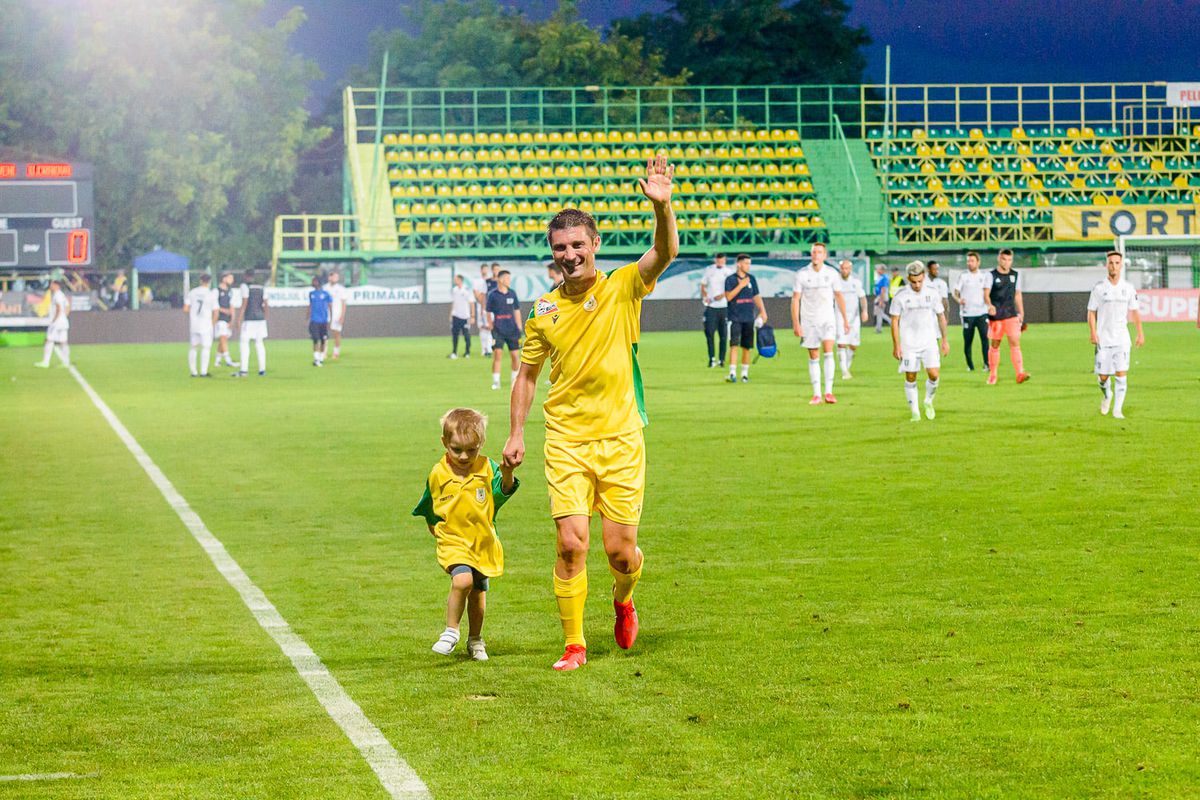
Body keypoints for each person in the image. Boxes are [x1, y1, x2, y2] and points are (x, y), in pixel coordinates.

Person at [503, 155, 678, 671]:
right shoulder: (542, 310)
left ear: (594, 245)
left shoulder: (623, 285)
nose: (570, 254)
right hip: (566, 441)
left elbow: (664, 253)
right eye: (560, 248)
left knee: (621, 553)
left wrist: (662, 208)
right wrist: (516, 432)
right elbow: (528, 376)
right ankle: (574, 644)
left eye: (578, 245)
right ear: (552, 254)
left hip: (622, 438)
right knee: (571, 544)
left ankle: (623, 599)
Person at [412, 408, 519, 661]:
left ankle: (476, 640)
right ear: (444, 443)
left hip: (482, 542)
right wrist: (435, 530)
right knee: (462, 581)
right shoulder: (437, 473)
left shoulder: (487, 468)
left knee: (478, 592)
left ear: (481, 444)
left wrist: (506, 473)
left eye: (472, 450)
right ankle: (451, 631)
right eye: (456, 449)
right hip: (453, 541)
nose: (464, 456)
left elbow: (501, 493)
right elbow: (429, 506)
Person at [1088, 251, 1145, 419]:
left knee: (1121, 373)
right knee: (1103, 377)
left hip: (1122, 338)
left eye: (1117, 263)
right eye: (1111, 263)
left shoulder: (1128, 288)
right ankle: (1107, 395)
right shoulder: (1099, 288)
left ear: (1121, 265)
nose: (1114, 266)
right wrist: (1092, 332)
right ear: (1107, 265)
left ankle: (1118, 410)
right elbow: (1091, 312)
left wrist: (1140, 333)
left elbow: (1135, 312)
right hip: (1103, 339)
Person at [890, 261, 949, 421]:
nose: (917, 285)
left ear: (923, 277)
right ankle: (915, 412)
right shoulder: (901, 295)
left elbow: (941, 316)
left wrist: (944, 340)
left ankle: (928, 401)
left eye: (920, 281)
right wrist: (896, 345)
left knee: (934, 374)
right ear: (909, 278)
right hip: (909, 343)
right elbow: (894, 321)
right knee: (911, 377)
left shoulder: (933, 292)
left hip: (929, 341)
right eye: (914, 282)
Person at [791, 242, 848, 404]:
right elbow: (795, 299)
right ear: (811, 255)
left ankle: (829, 392)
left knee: (829, 351)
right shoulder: (802, 274)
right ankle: (817, 394)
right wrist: (796, 323)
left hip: (827, 319)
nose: (816, 255)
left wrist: (844, 319)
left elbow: (838, 296)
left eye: (819, 252)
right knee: (814, 355)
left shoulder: (831, 273)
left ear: (825, 255)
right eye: (814, 252)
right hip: (809, 320)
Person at [983, 248, 1030, 385]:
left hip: (1011, 314)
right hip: (996, 316)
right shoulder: (990, 275)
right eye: (1004, 259)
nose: (1007, 262)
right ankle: (993, 375)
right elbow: (986, 294)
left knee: (1015, 343)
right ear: (999, 259)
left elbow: (1017, 294)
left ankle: (1020, 373)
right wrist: (989, 305)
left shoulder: (1016, 275)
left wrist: (1021, 312)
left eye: (1009, 260)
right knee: (995, 344)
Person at [723, 254, 767, 383]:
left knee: (747, 346)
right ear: (739, 264)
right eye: (746, 263)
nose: (748, 266)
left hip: (749, 317)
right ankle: (732, 373)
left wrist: (762, 311)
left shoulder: (752, 279)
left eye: (749, 263)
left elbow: (756, 296)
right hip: (735, 317)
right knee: (734, 345)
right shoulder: (730, 280)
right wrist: (741, 285)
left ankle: (744, 374)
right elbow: (729, 297)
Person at [953, 250, 990, 371]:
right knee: (968, 341)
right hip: (967, 313)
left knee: (985, 339)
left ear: (978, 262)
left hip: (982, 313)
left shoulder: (984, 276)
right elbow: (955, 292)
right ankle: (970, 365)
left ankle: (986, 364)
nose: (969, 263)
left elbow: (989, 292)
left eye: (972, 261)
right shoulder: (963, 276)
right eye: (968, 261)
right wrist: (959, 300)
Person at [486, 270, 522, 390]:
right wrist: (491, 326)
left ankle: (514, 380)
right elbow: (488, 312)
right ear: (501, 279)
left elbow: (516, 311)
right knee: (497, 355)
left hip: (512, 330)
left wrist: (519, 327)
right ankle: (496, 381)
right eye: (507, 278)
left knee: (516, 356)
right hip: (498, 330)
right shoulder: (492, 295)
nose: (509, 281)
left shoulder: (512, 293)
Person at [834, 259, 869, 379]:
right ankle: (844, 371)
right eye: (843, 268)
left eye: (847, 268)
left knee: (853, 345)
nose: (845, 270)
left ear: (850, 269)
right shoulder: (835, 282)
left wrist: (864, 311)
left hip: (854, 318)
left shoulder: (856, 282)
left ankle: (846, 367)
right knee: (841, 343)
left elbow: (862, 298)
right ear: (840, 269)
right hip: (839, 316)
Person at [233, 269, 269, 377]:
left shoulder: (245, 287)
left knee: (244, 343)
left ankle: (244, 370)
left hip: (249, 319)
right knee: (260, 343)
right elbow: (266, 304)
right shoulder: (262, 288)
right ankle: (262, 369)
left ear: (245, 276)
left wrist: (239, 319)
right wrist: (265, 317)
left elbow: (244, 303)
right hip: (260, 319)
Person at [700, 253, 731, 368]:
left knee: (723, 335)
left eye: (722, 260)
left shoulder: (729, 272)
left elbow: (731, 288)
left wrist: (722, 295)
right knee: (709, 333)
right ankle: (711, 358)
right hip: (711, 307)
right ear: (715, 260)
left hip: (724, 306)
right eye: (718, 260)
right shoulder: (709, 270)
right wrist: (705, 297)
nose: (720, 262)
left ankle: (722, 359)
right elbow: (703, 285)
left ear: (724, 260)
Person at [183, 274, 217, 377]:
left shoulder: (192, 292)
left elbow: (185, 309)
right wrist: (212, 324)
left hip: (194, 324)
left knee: (193, 347)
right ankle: (203, 371)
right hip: (206, 324)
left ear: (200, 281)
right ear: (209, 281)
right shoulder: (211, 294)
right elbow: (216, 312)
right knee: (206, 348)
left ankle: (193, 372)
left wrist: (193, 314)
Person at [35, 279, 70, 368]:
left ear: (56, 285)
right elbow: (67, 306)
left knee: (49, 340)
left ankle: (45, 362)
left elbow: (58, 308)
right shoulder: (62, 295)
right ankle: (66, 362)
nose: (51, 286)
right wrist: (64, 316)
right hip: (63, 322)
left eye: (52, 284)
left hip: (57, 322)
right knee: (63, 342)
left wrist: (54, 320)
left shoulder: (57, 295)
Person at [213, 272, 238, 367]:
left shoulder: (230, 292)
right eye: (230, 278)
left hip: (227, 319)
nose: (232, 280)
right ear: (224, 279)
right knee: (223, 338)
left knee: (223, 339)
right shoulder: (216, 291)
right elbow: (214, 306)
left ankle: (217, 360)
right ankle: (228, 360)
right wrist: (223, 310)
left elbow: (232, 306)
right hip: (220, 319)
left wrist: (232, 319)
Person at [308, 276, 332, 367]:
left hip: (323, 320)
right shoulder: (311, 294)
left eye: (314, 281)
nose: (312, 282)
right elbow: (310, 305)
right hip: (314, 320)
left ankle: (321, 358)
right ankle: (316, 359)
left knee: (323, 340)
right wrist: (308, 316)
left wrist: (331, 317)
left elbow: (330, 305)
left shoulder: (325, 294)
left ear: (318, 282)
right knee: (315, 339)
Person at [324, 271, 348, 360]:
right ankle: (324, 352)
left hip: (337, 314)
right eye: (334, 277)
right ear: (330, 277)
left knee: (336, 333)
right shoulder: (325, 288)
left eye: (337, 277)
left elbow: (343, 303)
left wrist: (342, 316)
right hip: (326, 314)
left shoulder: (341, 289)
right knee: (324, 333)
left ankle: (336, 352)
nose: (336, 279)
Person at [449, 273, 474, 359]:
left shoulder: (466, 290)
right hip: (456, 316)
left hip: (465, 316)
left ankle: (467, 352)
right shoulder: (454, 290)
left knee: (466, 335)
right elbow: (453, 302)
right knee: (455, 335)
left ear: (460, 280)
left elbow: (471, 303)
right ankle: (454, 352)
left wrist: (472, 316)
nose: (454, 281)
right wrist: (451, 314)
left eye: (456, 279)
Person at [473, 263, 494, 355]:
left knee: (490, 327)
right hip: (481, 307)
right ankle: (484, 349)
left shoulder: (491, 281)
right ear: (481, 270)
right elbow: (478, 294)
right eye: (484, 269)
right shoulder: (477, 281)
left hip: (490, 308)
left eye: (486, 269)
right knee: (482, 328)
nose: (485, 271)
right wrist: (482, 306)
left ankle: (489, 349)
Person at [926, 260, 950, 340]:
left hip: (937, 316)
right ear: (928, 269)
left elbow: (945, 301)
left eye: (937, 269)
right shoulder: (922, 282)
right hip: (924, 314)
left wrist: (946, 317)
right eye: (934, 269)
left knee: (935, 339)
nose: (937, 271)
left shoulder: (942, 283)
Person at [873, 264, 890, 333]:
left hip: (881, 296)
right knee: (879, 313)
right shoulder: (880, 277)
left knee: (880, 313)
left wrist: (881, 301)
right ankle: (878, 328)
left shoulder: (884, 278)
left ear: (882, 270)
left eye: (878, 269)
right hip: (879, 296)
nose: (877, 270)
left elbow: (883, 289)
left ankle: (892, 322)